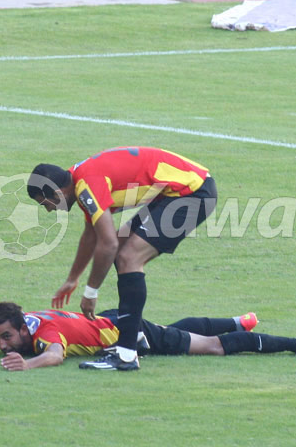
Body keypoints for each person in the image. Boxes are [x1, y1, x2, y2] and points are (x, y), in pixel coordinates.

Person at [26, 146, 217, 372]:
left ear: (57, 192)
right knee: (123, 249)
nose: (49, 210)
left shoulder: (87, 185)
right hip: (175, 192)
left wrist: (91, 293)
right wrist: (72, 278)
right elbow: (91, 235)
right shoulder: (80, 183)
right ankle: (134, 338)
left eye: (45, 203)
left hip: (192, 193)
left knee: (128, 257)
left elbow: (107, 244)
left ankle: (126, 355)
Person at [0, 302, 296, 371]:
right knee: (175, 332)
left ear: (22, 328)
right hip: (112, 321)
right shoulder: (8, 332)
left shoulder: (43, 335)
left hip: (126, 333)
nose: (1, 345)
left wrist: (28, 365)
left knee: (210, 348)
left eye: (5, 339)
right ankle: (238, 323)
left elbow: (56, 356)